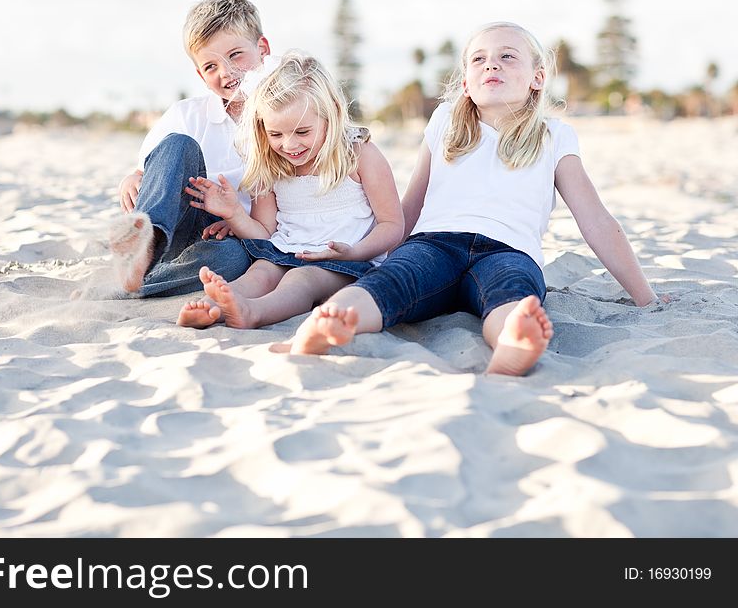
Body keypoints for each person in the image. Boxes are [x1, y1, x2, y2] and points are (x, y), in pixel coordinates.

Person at [283, 22, 667, 376]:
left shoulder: (554, 135)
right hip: (434, 243)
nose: (491, 66)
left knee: (513, 293)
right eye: (479, 59)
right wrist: (380, 253)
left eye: (507, 56)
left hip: (508, 250)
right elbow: (412, 204)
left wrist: (644, 296)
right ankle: (334, 319)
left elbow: (594, 220)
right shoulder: (445, 121)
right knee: (393, 281)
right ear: (466, 81)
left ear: (537, 78)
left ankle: (512, 342)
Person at [176, 51, 403, 330]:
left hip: (345, 261)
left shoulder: (359, 154)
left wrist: (353, 252)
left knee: (301, 280)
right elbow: (265, 234)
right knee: (260, 273)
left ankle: (254, 312)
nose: (289, 145)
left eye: (302, 132)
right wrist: (234, 213)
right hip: (287, 250)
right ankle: (215, 308)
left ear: (330, 113)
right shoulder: (271, 166)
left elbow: (392, 224)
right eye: (276, 134)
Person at [94, 0, 271, 299]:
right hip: (176, 228)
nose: (226, 72)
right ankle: (144, 245)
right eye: (211, 66)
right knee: (179, 144)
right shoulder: (186, 115)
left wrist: (240, 223)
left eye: (236, 55)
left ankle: (140, 284)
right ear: (201, 75)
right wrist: (132, 178)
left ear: (263, 50)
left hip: (235, 237)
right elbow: (148, 170)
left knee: (232, 261)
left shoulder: (282, 121)